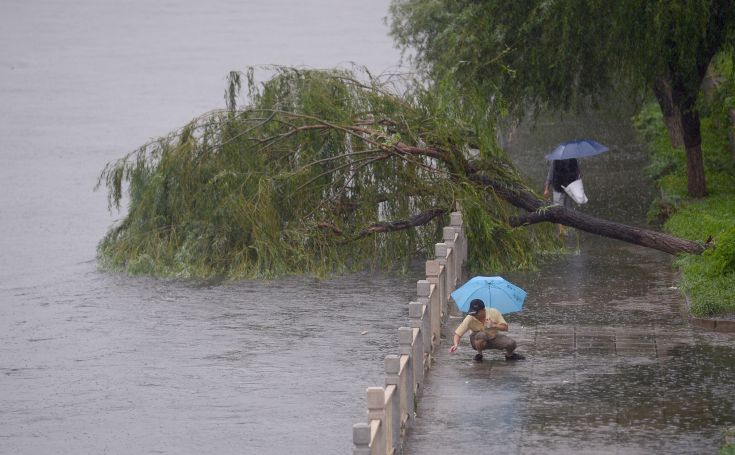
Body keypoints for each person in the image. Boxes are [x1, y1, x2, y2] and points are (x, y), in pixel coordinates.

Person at [448, 299, 525, 362]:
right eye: (472, 313)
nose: (474, 315)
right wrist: (455, 344)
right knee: (481, 335)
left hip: (493, 338)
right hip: (477, 340)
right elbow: (458, 334)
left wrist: (493, 325)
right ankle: (479, 354)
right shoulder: (470, 318)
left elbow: (505, 328)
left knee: (511, 343)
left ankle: (509, 355)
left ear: (483, 310)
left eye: (476, 313)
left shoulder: (494, 312)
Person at [543, 158, 581, 234]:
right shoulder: (556, 160)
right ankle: (561, 230)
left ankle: (564, 229)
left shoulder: (573, 160)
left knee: (567, 209)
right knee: (558, 208)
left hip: (568, 188)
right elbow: (550, 175)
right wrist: (546, 189)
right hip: (558, 187)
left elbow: (577, 174)